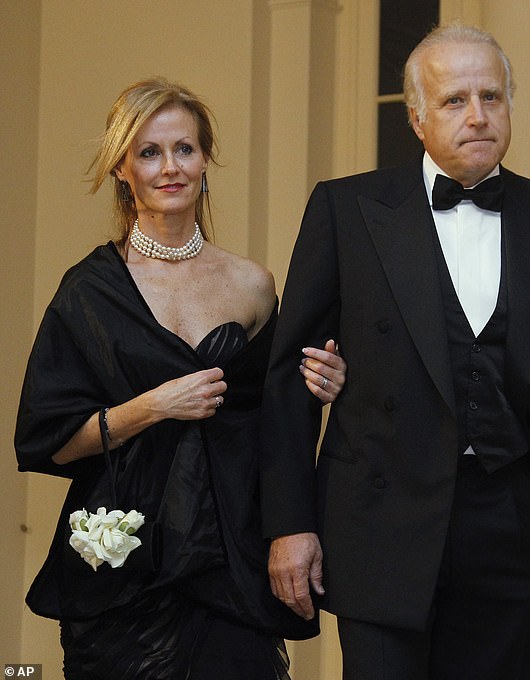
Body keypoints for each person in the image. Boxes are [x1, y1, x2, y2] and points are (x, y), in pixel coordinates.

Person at [260, 23, 530, 680]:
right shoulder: (347, 208)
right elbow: (288, 380)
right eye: (454, 100)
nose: (478, 116)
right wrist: (289, 523)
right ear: (417, 118)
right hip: (379, 524)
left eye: (492, 97)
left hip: (515, 532)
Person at [14, 77, 347, 680]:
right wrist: (153, 406)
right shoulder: (87, 291)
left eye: (184, 149)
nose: (170, 167)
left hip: (230, 559)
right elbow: (47, 438)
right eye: (149, 152)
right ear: (122, 168)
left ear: (204, 160)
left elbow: (275, 418)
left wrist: (326, 379)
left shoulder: (253, 285)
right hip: (126, 569)